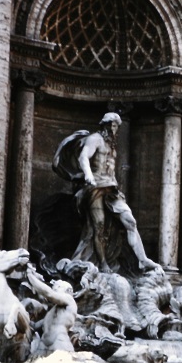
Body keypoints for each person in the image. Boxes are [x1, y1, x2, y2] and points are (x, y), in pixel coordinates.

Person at [53, 113, 159, 274]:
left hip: (111, 188)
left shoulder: (112, 145)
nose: (113, 129)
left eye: (116, 126)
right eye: (111, 125)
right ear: (104, 125)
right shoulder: (95, 139)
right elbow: (84, 157)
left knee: (130, 221)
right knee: (99, 226)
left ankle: (142, 260)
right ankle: (103, 264)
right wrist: (88, 174)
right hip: (94, 187)